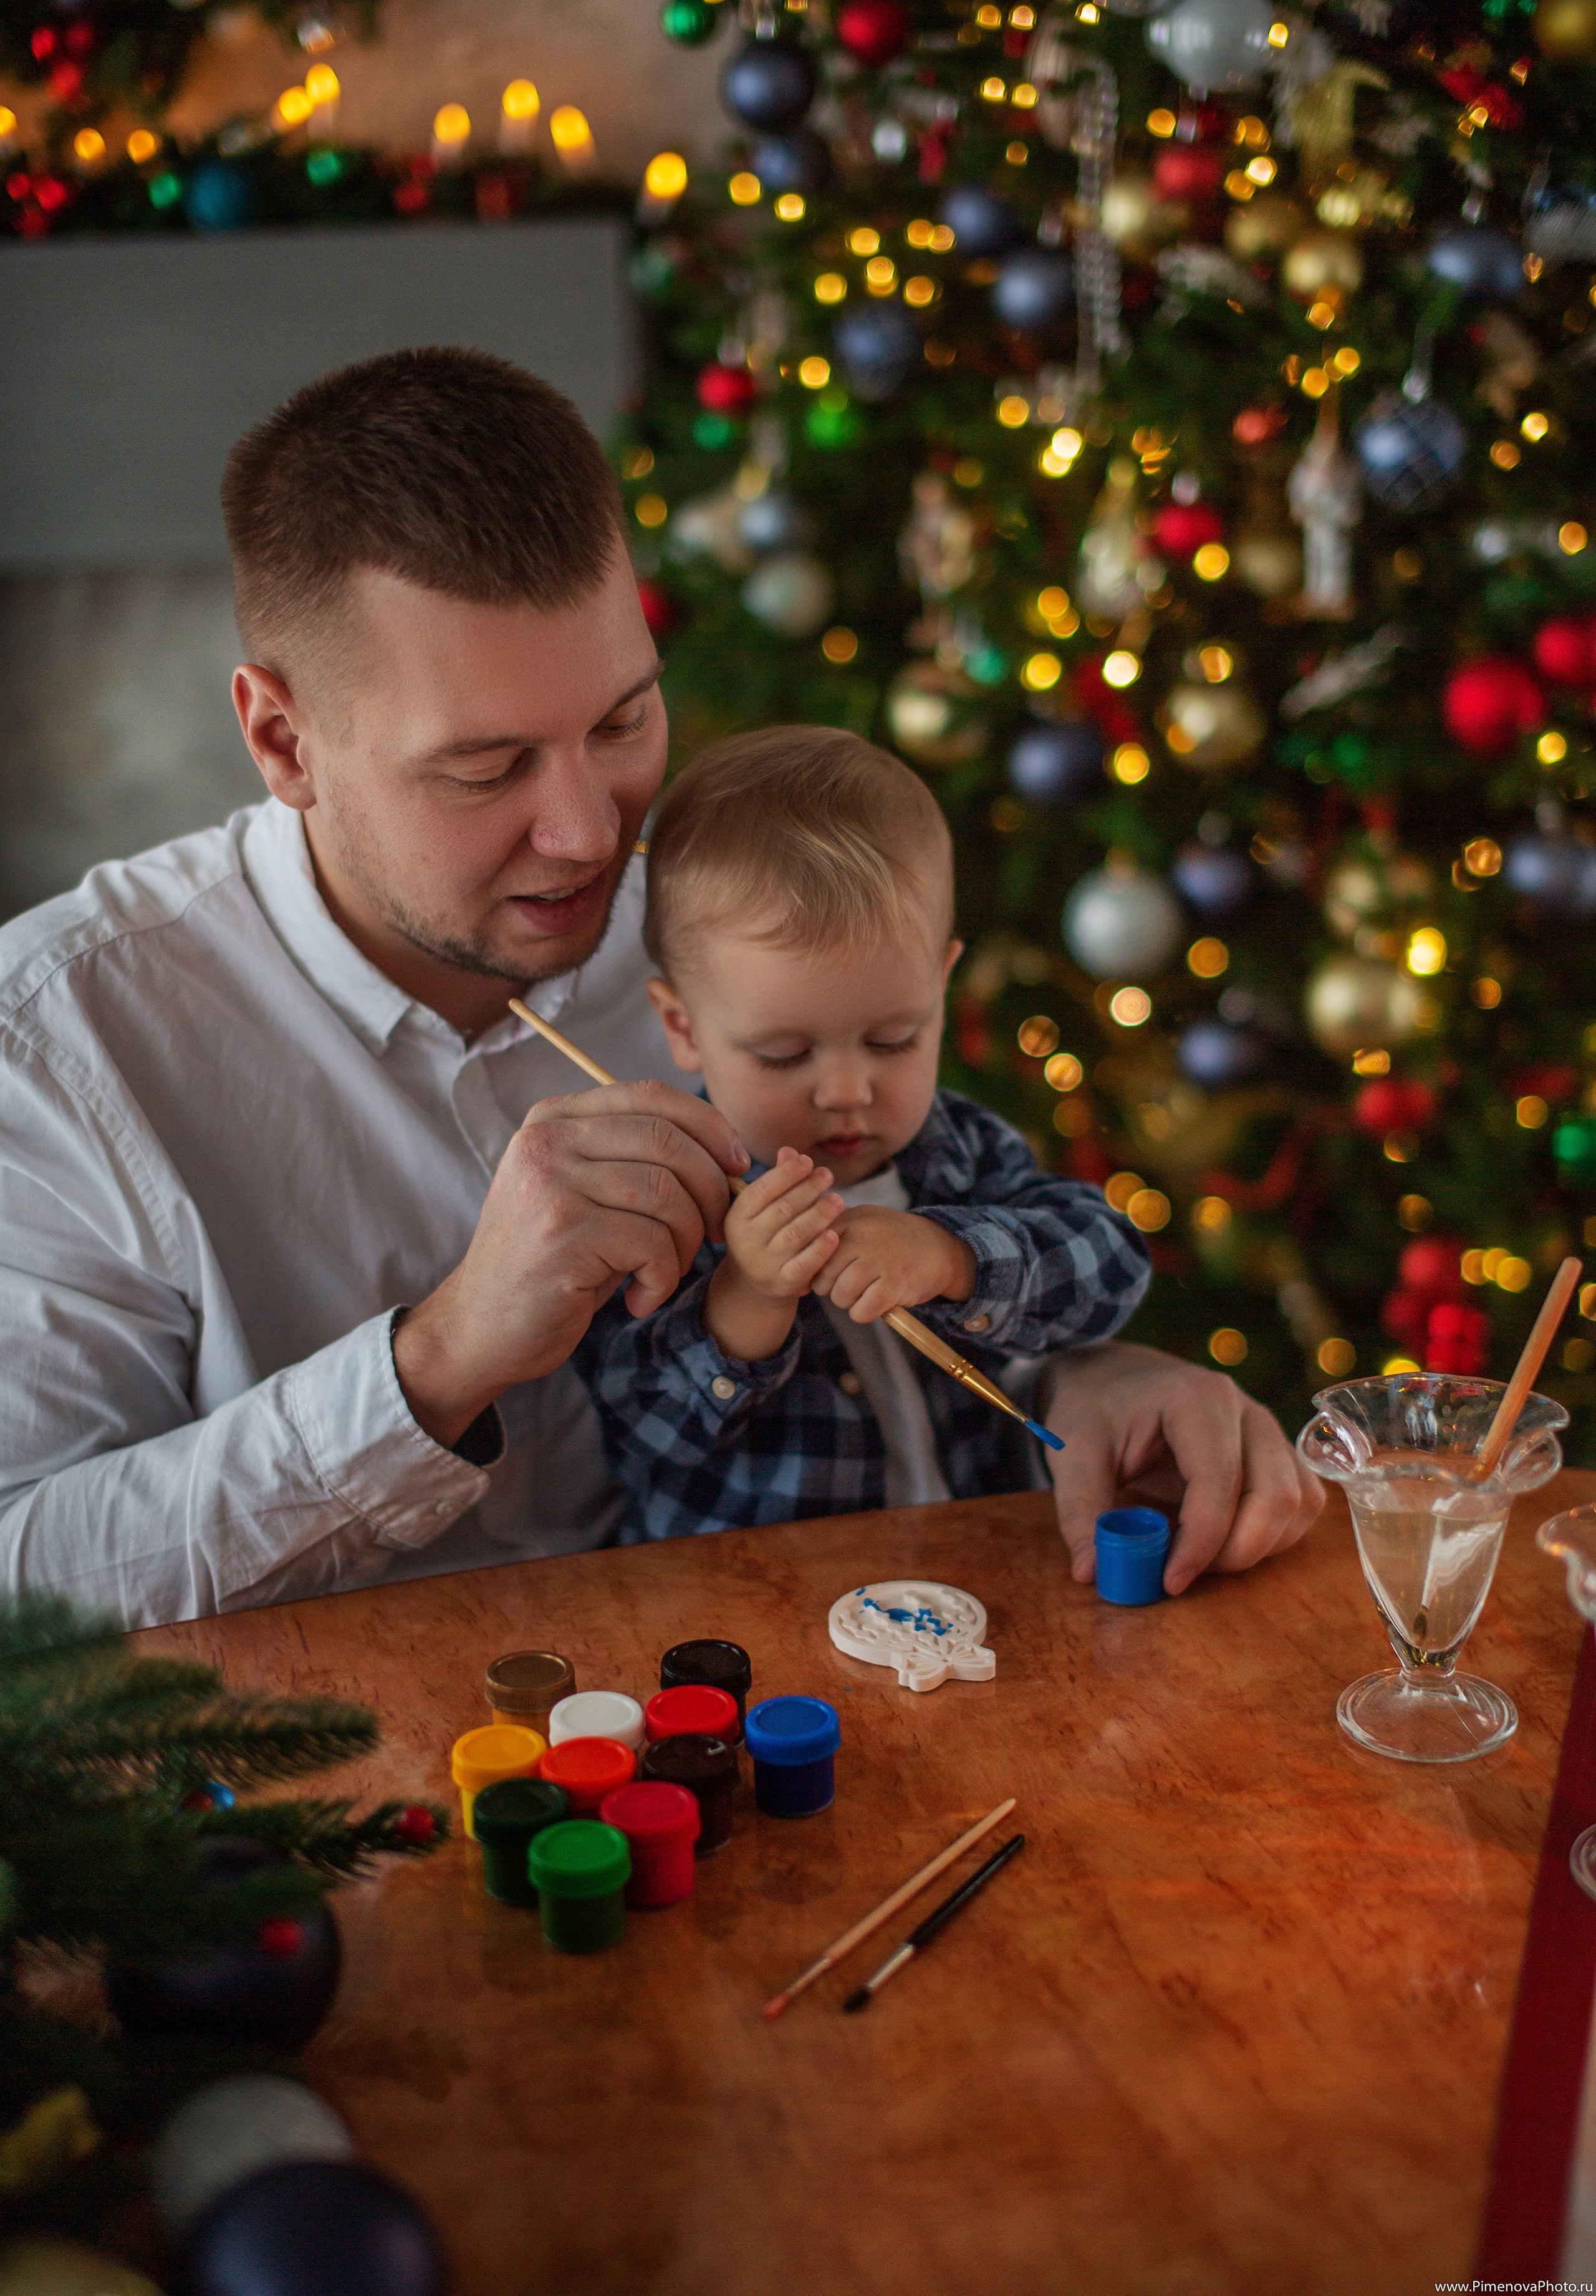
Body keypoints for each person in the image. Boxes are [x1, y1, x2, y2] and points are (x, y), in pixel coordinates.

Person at [0, 346, 1324, 1629]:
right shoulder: (59, 1046)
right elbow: (21, 1583)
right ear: (284, 740)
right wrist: (440, 1359)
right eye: (485, 769)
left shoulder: (721, 930)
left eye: (623, 721)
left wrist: (1091, 1374)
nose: (590, 836)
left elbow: (918, 1233)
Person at [577, 725, 1151, 1538]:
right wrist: (748, 1300)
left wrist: (952, 1258)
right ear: (683, 1026)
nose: (848, 1092)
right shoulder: (669, 1192)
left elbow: (1112, 1267)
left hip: (977, 1562)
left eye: (893, 1040)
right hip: (759, 1591)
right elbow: (640, 1427)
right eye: (783, 1054)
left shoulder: (960, 1149)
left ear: (941, 987)